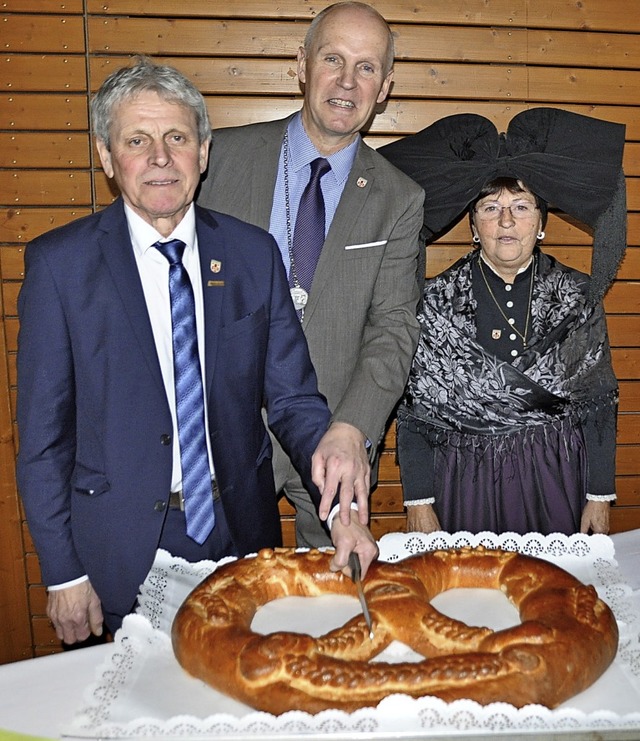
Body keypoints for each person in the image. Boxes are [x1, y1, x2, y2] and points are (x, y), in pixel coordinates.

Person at [16, 57, 378, 646]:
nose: (160, 157)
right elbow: (42, 442)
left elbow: (293, 401)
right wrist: (64, 573)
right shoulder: (60, 267)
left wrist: (341, 512)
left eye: (177, 137)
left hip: (239, 538)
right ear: (108, 157)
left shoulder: (252, 255)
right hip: (116, 553)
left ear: (203, 152)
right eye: (137, 140)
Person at [197, 1, 425, 548]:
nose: (347, 81)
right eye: (333, 59)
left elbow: (393, 328)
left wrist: (354, 427)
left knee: (337, 607)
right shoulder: (217, 160)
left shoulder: (400, 197)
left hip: (332, 436)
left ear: (386, 85)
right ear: (302, 64)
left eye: (367, 67)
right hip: (219, 433)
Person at [379, 108, 627, 536]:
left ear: (543, 223)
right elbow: (416, 413)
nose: (507, 220)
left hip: (555, 474)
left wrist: (600, 495)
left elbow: (599, 404)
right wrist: (418, 500)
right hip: (463, 478)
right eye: (491, 207)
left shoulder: (578, 298)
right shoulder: (436, 303)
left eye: (522, 206)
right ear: (473, 224)